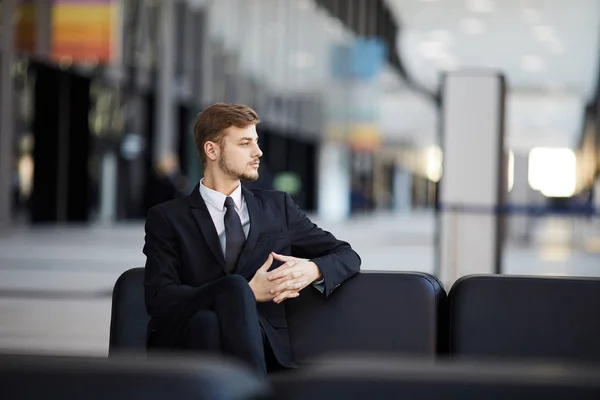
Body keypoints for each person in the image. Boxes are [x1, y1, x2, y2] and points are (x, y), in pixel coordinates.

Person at [143, 103, 361, 374]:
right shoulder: (167, 217)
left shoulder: (277, 207)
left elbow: (347, 255)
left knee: (216, 314)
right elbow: (159, 298)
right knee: (213, 315)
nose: (258, 152)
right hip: (188, 341)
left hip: (261, 343)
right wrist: (245, 292)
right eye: (245, 143)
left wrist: (312, 268)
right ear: (212, 150)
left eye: (256, 142)